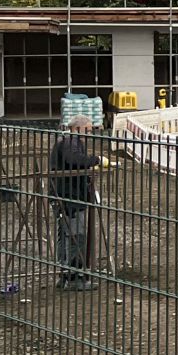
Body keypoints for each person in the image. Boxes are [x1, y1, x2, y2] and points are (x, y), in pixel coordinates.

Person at [48, 117, 101, 290]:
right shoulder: (71, 142)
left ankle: (65, 275)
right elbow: (75, 160)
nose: (90, 132)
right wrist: (96, 160)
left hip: (64, 195)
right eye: (88, 129)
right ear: (78, 128)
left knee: (65, 234)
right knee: (75, 235)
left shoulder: (66, 141)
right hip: (69, 196)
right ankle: (74, 277)